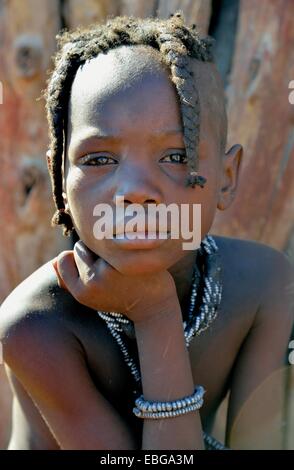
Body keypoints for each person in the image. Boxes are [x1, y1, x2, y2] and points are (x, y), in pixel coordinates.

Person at [0, 11, 293, 450]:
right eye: (99, 159)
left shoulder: (263, 285)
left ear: (226, 177)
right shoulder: (35, 326)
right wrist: (155, 315)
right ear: (59, 179)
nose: (136, 192)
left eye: (176, 155)